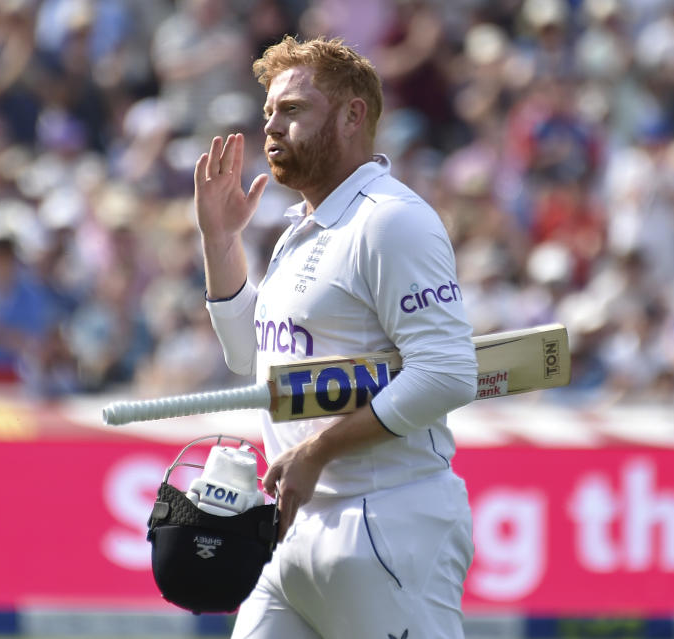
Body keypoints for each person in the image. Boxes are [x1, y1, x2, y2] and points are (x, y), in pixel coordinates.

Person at [194, 37, 478, 639]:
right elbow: (253, 359)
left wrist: (317, 452)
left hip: (387, 523)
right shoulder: (300, 229)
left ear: (353, 116)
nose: (271, 126)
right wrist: (220, 241)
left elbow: (447, 374)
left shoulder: (391, 220)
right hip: (295, 531)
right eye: (268, 110)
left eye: (293, 110)